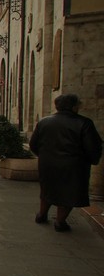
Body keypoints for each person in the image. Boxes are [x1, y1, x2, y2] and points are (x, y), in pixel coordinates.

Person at [29, 93, 102, 232]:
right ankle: (60, 221)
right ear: (74, 107)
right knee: (68, 192)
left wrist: (44, 156)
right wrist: (93, 159)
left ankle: (41, 214)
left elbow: (33, 144)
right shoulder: (84, 123)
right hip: (73, 165)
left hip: (48, 163)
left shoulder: (44, 121)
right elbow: (92, 146)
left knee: (47, 189)